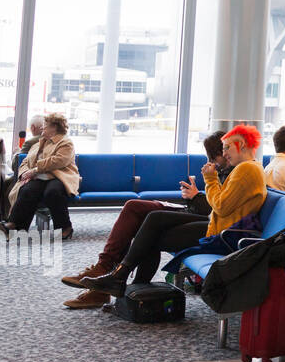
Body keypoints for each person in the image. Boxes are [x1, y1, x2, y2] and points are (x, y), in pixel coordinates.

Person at [83, 125, 267, 296]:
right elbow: (222, 205)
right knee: (155, 218)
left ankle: (124, 282)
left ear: (241, 145)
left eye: (227, 148)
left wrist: (211, 180)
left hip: (223, 233)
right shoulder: (246, 168)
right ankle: (123, 280)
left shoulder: (247, 169)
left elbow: (220, 206)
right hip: (218, 224)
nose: (225, 153)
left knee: (151, 236)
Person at [62, 131, 229, 310]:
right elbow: (216, 203)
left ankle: (109, 276)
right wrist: (196, 196)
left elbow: (218, 210)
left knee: (141, 217)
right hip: (197, 213)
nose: (214, 160)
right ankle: (111, 278)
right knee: (135, 210)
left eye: (218, 154)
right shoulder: (224, 171)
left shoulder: (237, 172)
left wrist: (197, 196)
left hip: (209, 222)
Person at [1, 113, 78, 239]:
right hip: (40, 178)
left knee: (52, 192)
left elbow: (58, 161)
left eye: (45, 126)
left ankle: (65, 227)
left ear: (54, 127)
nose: (43, 128)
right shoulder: (38, 143)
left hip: (59, 177)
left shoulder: (66, 143)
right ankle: (15, 225)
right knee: (27, 190)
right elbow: (25, 162)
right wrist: (24, 173)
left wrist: (35, 170)